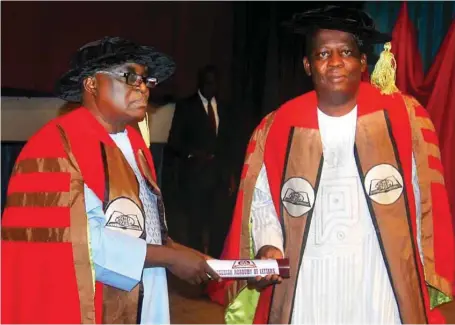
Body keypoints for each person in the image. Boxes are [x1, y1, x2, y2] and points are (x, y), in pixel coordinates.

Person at [207, 6, 455, 324]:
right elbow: (265, 204)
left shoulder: (404, 119)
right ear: (308, 65)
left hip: (378, 278)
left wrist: (418, 273)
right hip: (308, 279)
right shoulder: (278, 126)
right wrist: (269, 246)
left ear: (363, 61)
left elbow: (424, 206)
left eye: (346, 52)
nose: (335, 62)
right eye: (323, 53)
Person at [1, 36, 219, 324]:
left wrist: (186, 253)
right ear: (92, 83)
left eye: (145, 80)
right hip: (88, 302)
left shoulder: (135, 144)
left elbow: (143, 229)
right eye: (130, 77)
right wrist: (170, 258)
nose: (142, 88)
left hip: (145, 287)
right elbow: (84, 247)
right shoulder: (54, 147)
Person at [167, 65, 236, 258]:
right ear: (200, 83)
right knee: (195, 225)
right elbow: (175, 142)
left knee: (219, 224)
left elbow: (230, 143)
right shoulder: (186, 106)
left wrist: (231, 175)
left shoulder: (224, 106)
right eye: (207, 82)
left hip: (219, 177)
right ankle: (198, 264)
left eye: (214, 83)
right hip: (195, 176)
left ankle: (215, 263)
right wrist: (195, 154)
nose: (211, 87)